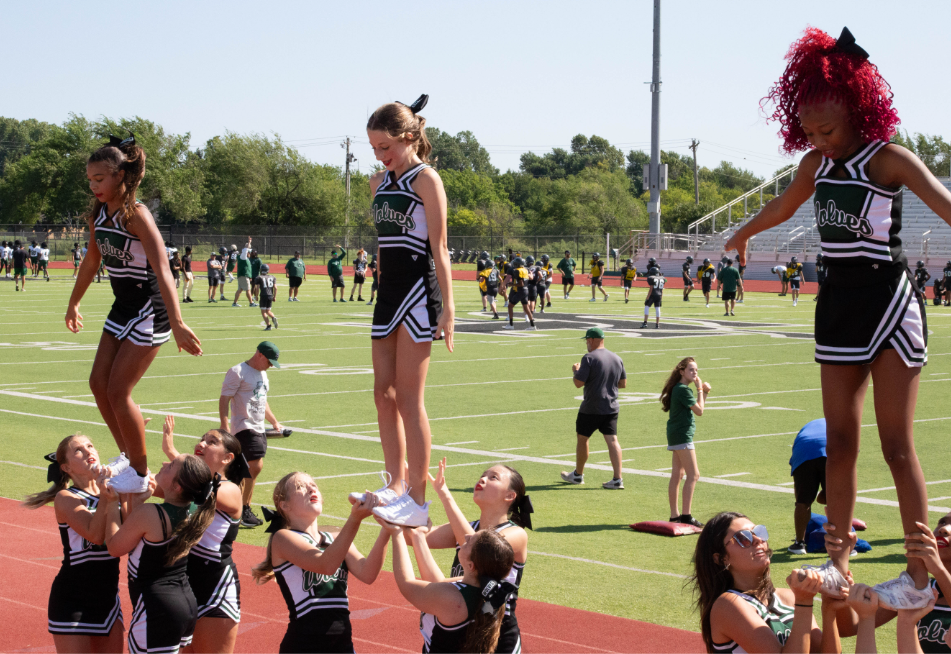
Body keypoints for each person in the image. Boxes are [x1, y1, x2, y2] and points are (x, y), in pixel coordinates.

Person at [725, 26, 942, 606]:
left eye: (829, 129)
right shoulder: (814, 164)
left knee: (897, 445)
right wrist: (744, 232)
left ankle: (920, 577)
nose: (818, 139)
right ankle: (838, 563)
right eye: (810, 131)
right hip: (838, 304)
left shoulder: (889, 157)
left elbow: (945, 203)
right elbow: (783, 204)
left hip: (889, 301)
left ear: (858, 111)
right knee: (839, 442)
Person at [66, 135, 202, 494]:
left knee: (118, 390)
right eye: (90, 180)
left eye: (99, 179)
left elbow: (163, 268)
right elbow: (92, 261)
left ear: (119, 176)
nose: (93, 186)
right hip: (122, 306)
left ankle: (140, 474)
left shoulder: (136, 214)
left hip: (149, 308)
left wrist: (177, 322)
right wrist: (73, 302)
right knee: (98, 385)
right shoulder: (99, 214)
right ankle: (129, 455)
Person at [361, 95, 454, 528]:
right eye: (375, 149)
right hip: (388, 296)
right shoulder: (381, 182)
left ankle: (417, 501)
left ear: (410, 137)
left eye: (386, 148)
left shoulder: (426, 178)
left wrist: (447, 309)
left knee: (410, 399)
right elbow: (382, 244)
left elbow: (439, 247)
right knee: (384, 394)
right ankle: (395, 484)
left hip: (418, 293)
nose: (381, 156)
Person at [251, 472, 391, 653]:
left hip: (342, 646)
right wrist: (355, 518)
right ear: (284, 505)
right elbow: (325, 565)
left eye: (313, 484)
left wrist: (387, 528)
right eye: (300, 487)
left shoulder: (335, 537)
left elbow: (368, 573)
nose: (311, 488)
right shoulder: (283, 538)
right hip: (304, 646)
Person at [103, 453, 216, 654]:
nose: (164, 463)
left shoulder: (151, 513)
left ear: (177, 487)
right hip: (184, 603)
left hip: (157, 608)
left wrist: (111, 503)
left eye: (171, 465)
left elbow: (114, 547)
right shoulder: (192, 509)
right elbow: (137, 536)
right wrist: (138, 501)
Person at [23, 435, 124, 653]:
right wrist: (108, 495)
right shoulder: (66, 497)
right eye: (79, 450)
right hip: (73, 600)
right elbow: (94, 535)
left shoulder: (115, 491)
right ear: (66, 467)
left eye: (90, 445)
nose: (89, 452)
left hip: (109, 600)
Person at [421, 459, 531, 654]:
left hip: (496, 635)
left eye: (493, 477)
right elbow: (414, 538)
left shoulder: (516, 535)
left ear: (510, 495)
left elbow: (476, 546)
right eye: (483, 474)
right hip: (457, 630)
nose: (483, 479)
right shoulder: (467, 528)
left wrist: (444, 493)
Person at [690, 512, 839, 654]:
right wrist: (804, 601)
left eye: (759, 532)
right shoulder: (728, 605)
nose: (757, 540)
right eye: (743, 538)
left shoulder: (788, 597)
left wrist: (829, 607)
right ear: (721, 559)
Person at [162, 418, 248, 654]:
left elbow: (200, 488)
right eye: (202, 439)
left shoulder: (230, 489)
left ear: (227, 458)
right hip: (184, 584)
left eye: (212, 442)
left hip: (215, 586)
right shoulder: (190, 483)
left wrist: (172, 454)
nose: (202, 443)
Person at [379, 519, 516, 654]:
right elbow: (438, 582)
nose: (466, 536)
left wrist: (397, 533)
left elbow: (406, 583)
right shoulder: (485, 589)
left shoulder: (453, 599)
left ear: (470, 566)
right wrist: (418, 536)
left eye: (469, 542)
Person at [826, 514, 951, 652]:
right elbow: (849, 628)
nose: (944, 529)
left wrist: (938, 569)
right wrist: (841, 570)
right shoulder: (919, 589)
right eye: (942, 522)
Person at [219, 341, 284, 528]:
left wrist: (274, 421)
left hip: (259, 427)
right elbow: (224, 399)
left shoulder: (263, 375)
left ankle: (234, 507)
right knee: (255, 465)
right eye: (269, 361)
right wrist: (225, 425)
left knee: (246, 469)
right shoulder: (238, 371)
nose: (270, 366)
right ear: (259, 354)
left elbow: (262, 401)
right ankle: (243, 508)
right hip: (243, 426)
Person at [560, 327, 627, 489]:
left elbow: (578, 383)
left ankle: (578, 475)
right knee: (613, 441)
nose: (587, 343)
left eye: (587, 340)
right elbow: (623, 384)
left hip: (591, 407)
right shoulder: (617, 358)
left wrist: (575, 371)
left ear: (592, 340)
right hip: (611, 407)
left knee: (583, 439)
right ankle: (618, 479)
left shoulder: (589, 358)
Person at [660, 357, 709, 527]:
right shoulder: (683, 390)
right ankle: (686, 516)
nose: (694, 373)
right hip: (682, 436)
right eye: (691, 370)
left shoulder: (679, 389)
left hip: (676, 434)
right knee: (693, 475)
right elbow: (700, 411)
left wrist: (702, 391)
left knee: (678, 475)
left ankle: (675, 516)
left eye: (696, 370)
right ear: (682, 372)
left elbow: (697, 409)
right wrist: (701, 390)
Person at [788, 419, 828, 555]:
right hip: (830, 450)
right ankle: (839, 541)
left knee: (802, 502)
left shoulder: (808, 428)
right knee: (838, 499)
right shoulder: (842, 424)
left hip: (803, 452)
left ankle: (799, 543)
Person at [501, 257, 535, 331]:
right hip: (526, 290)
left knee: (510, 306)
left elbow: (521, 284)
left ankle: (511, 324)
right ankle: (532, 325)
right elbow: (526, 280)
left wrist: (512, 284)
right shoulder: (525, 270)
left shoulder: (517, 271)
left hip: (521, 291)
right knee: (526, 309)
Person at [255, 263, 279, 331]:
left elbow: (257, 288)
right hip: (270, 295)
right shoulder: (272, 277)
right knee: (268, 311)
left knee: (263, 312)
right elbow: (275, 288)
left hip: (263, 295)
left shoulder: (259, 277)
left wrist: (256, 296)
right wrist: (274, 296)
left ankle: (268, 326)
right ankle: (273, 317)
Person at [232, 237, 253, 308]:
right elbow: (245, 250)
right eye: (249, 252)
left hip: (243, 275)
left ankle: (234, 303)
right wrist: (249, 242)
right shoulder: (243, 256)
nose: (250, 253)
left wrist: (249, 276)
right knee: (248, 290)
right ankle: (251, 303)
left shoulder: (244, 257)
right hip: (243, 275)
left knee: (240, 290)